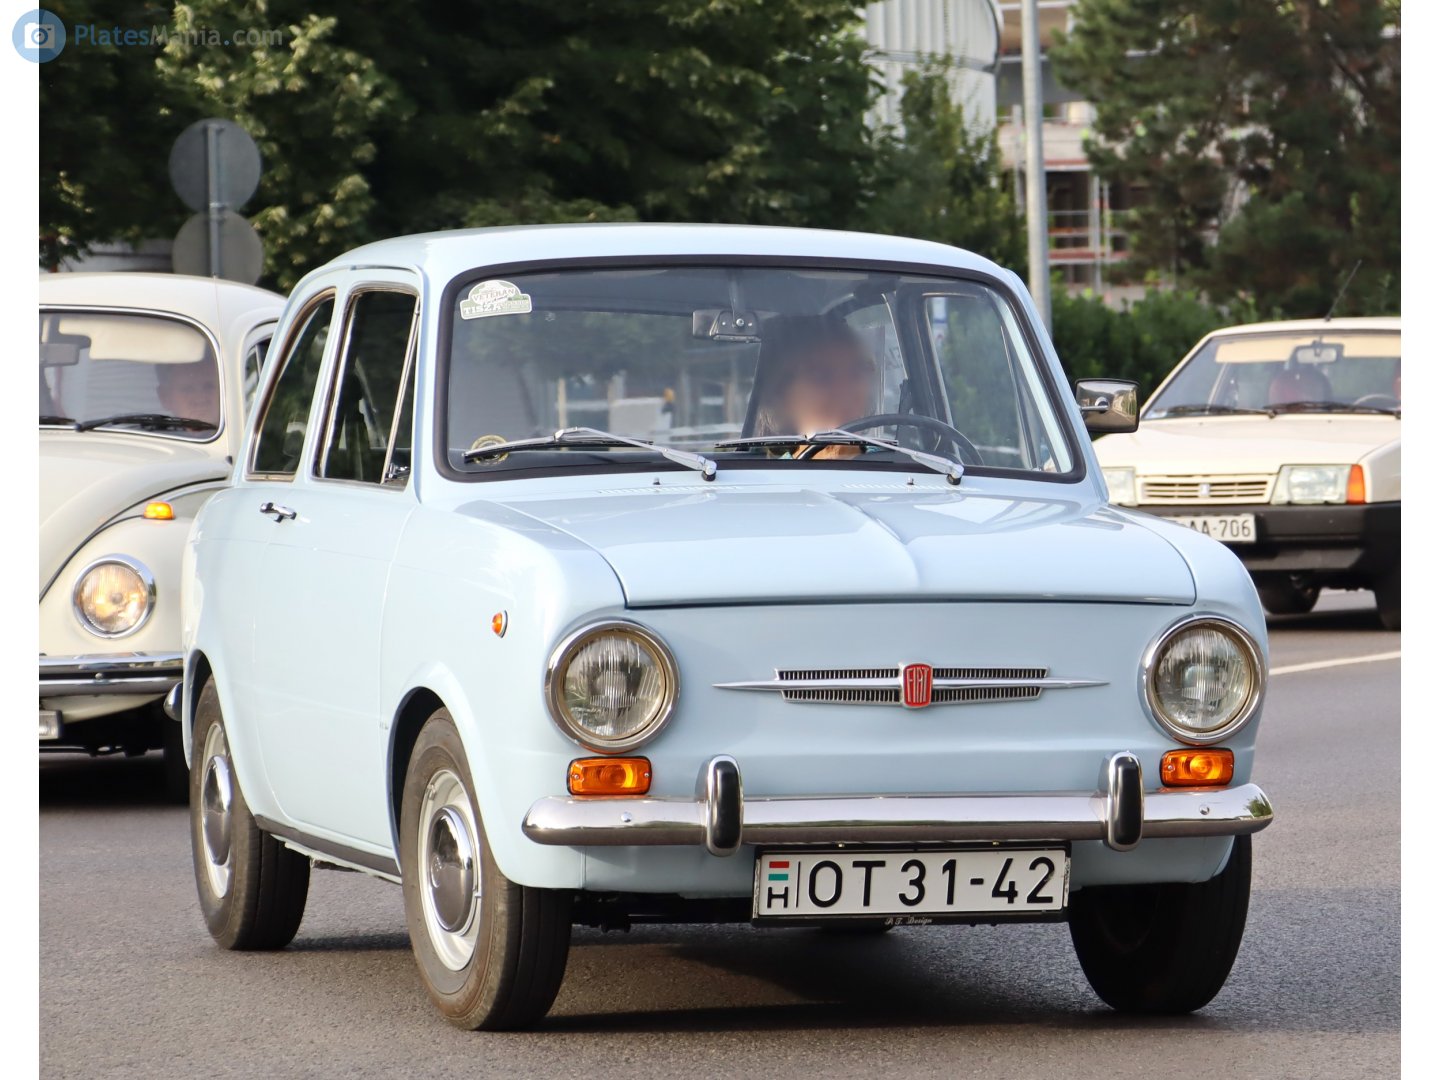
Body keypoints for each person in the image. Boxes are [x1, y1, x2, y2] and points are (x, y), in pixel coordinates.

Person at [751, 315, 877, 459]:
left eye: (857, 372)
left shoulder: (896, 465)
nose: (845, 391)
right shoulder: (768, 477)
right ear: (779, 395)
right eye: (821, 375)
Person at [155, 360, 221, 427]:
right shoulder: (152, 437)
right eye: (188, 390)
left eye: (209, 387)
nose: (200, 399)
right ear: (165, 397)